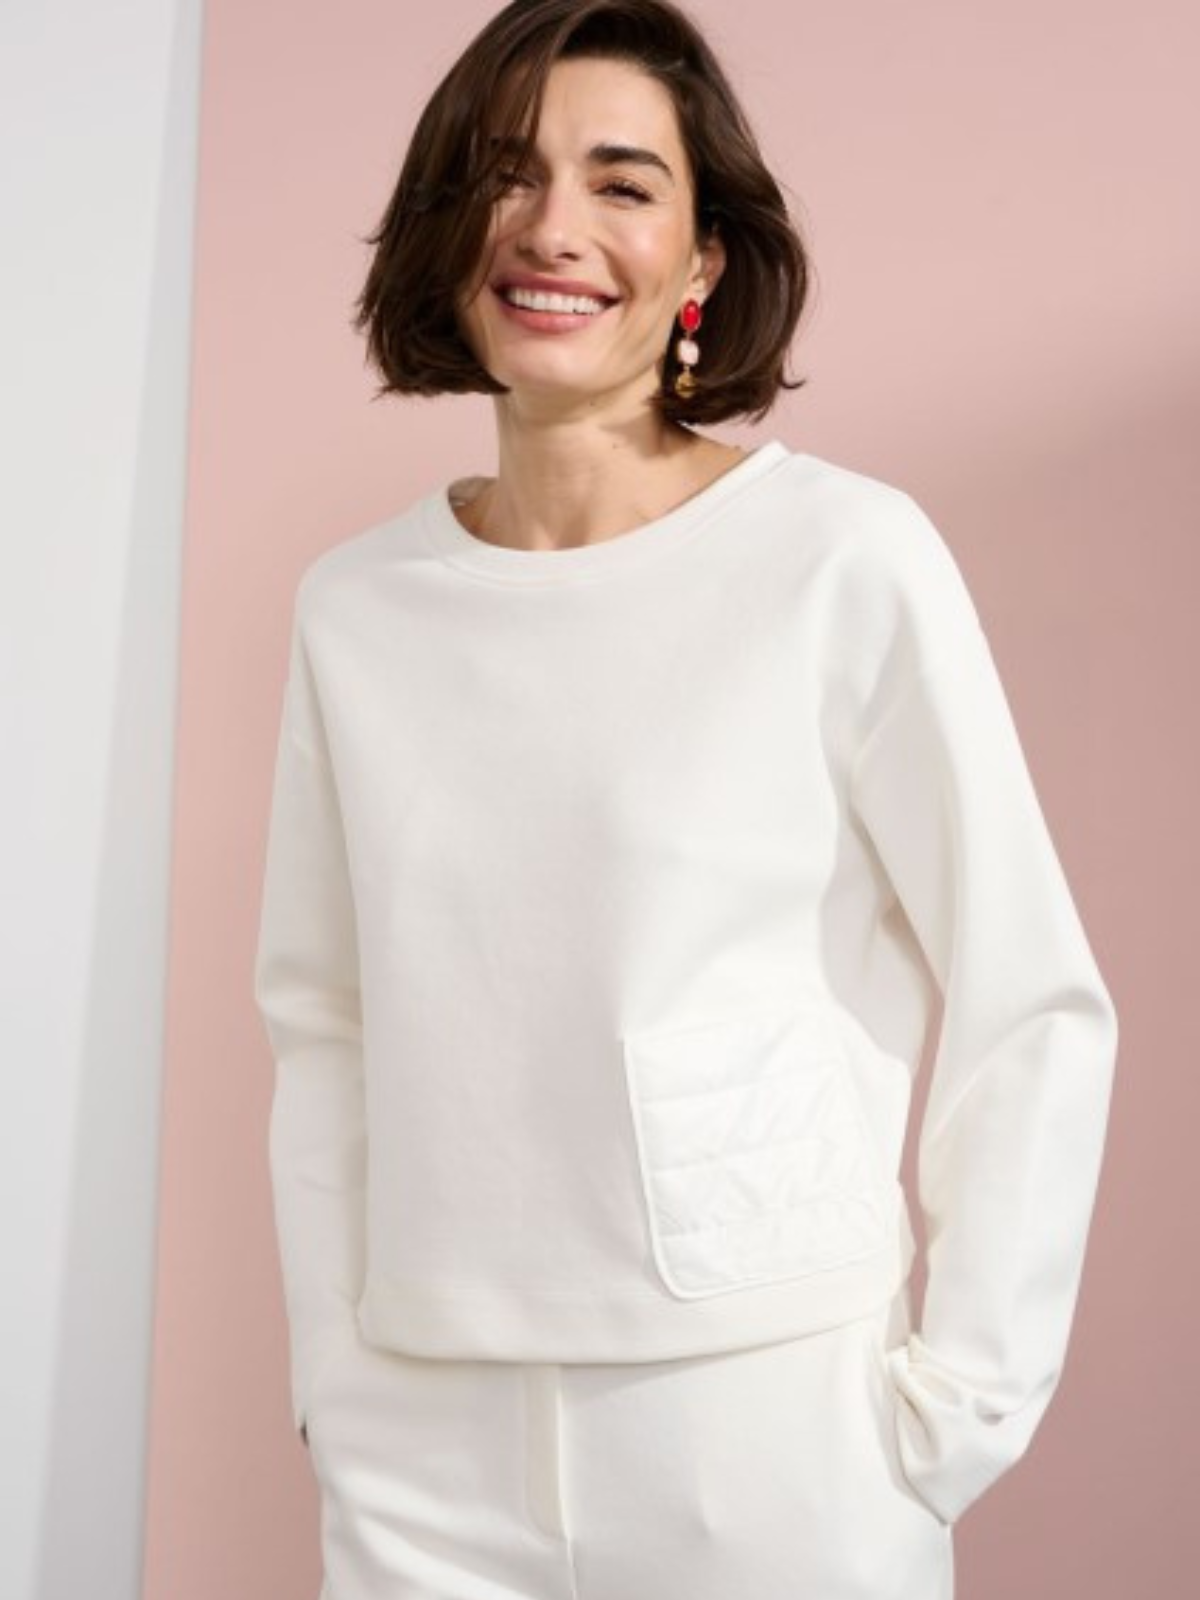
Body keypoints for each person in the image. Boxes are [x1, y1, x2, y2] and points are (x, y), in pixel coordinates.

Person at [252, 2, 1118, 1596]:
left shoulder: (840, 560)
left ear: (705, 257)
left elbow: (1032, 996)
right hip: (423, 1455)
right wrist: (335, 1388)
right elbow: (324, 1026)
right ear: (447, 220)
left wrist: (957, 1412)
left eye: (622, 182)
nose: (552, 227)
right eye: (506, 173)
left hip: (769, 1431)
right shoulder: (356, 609)